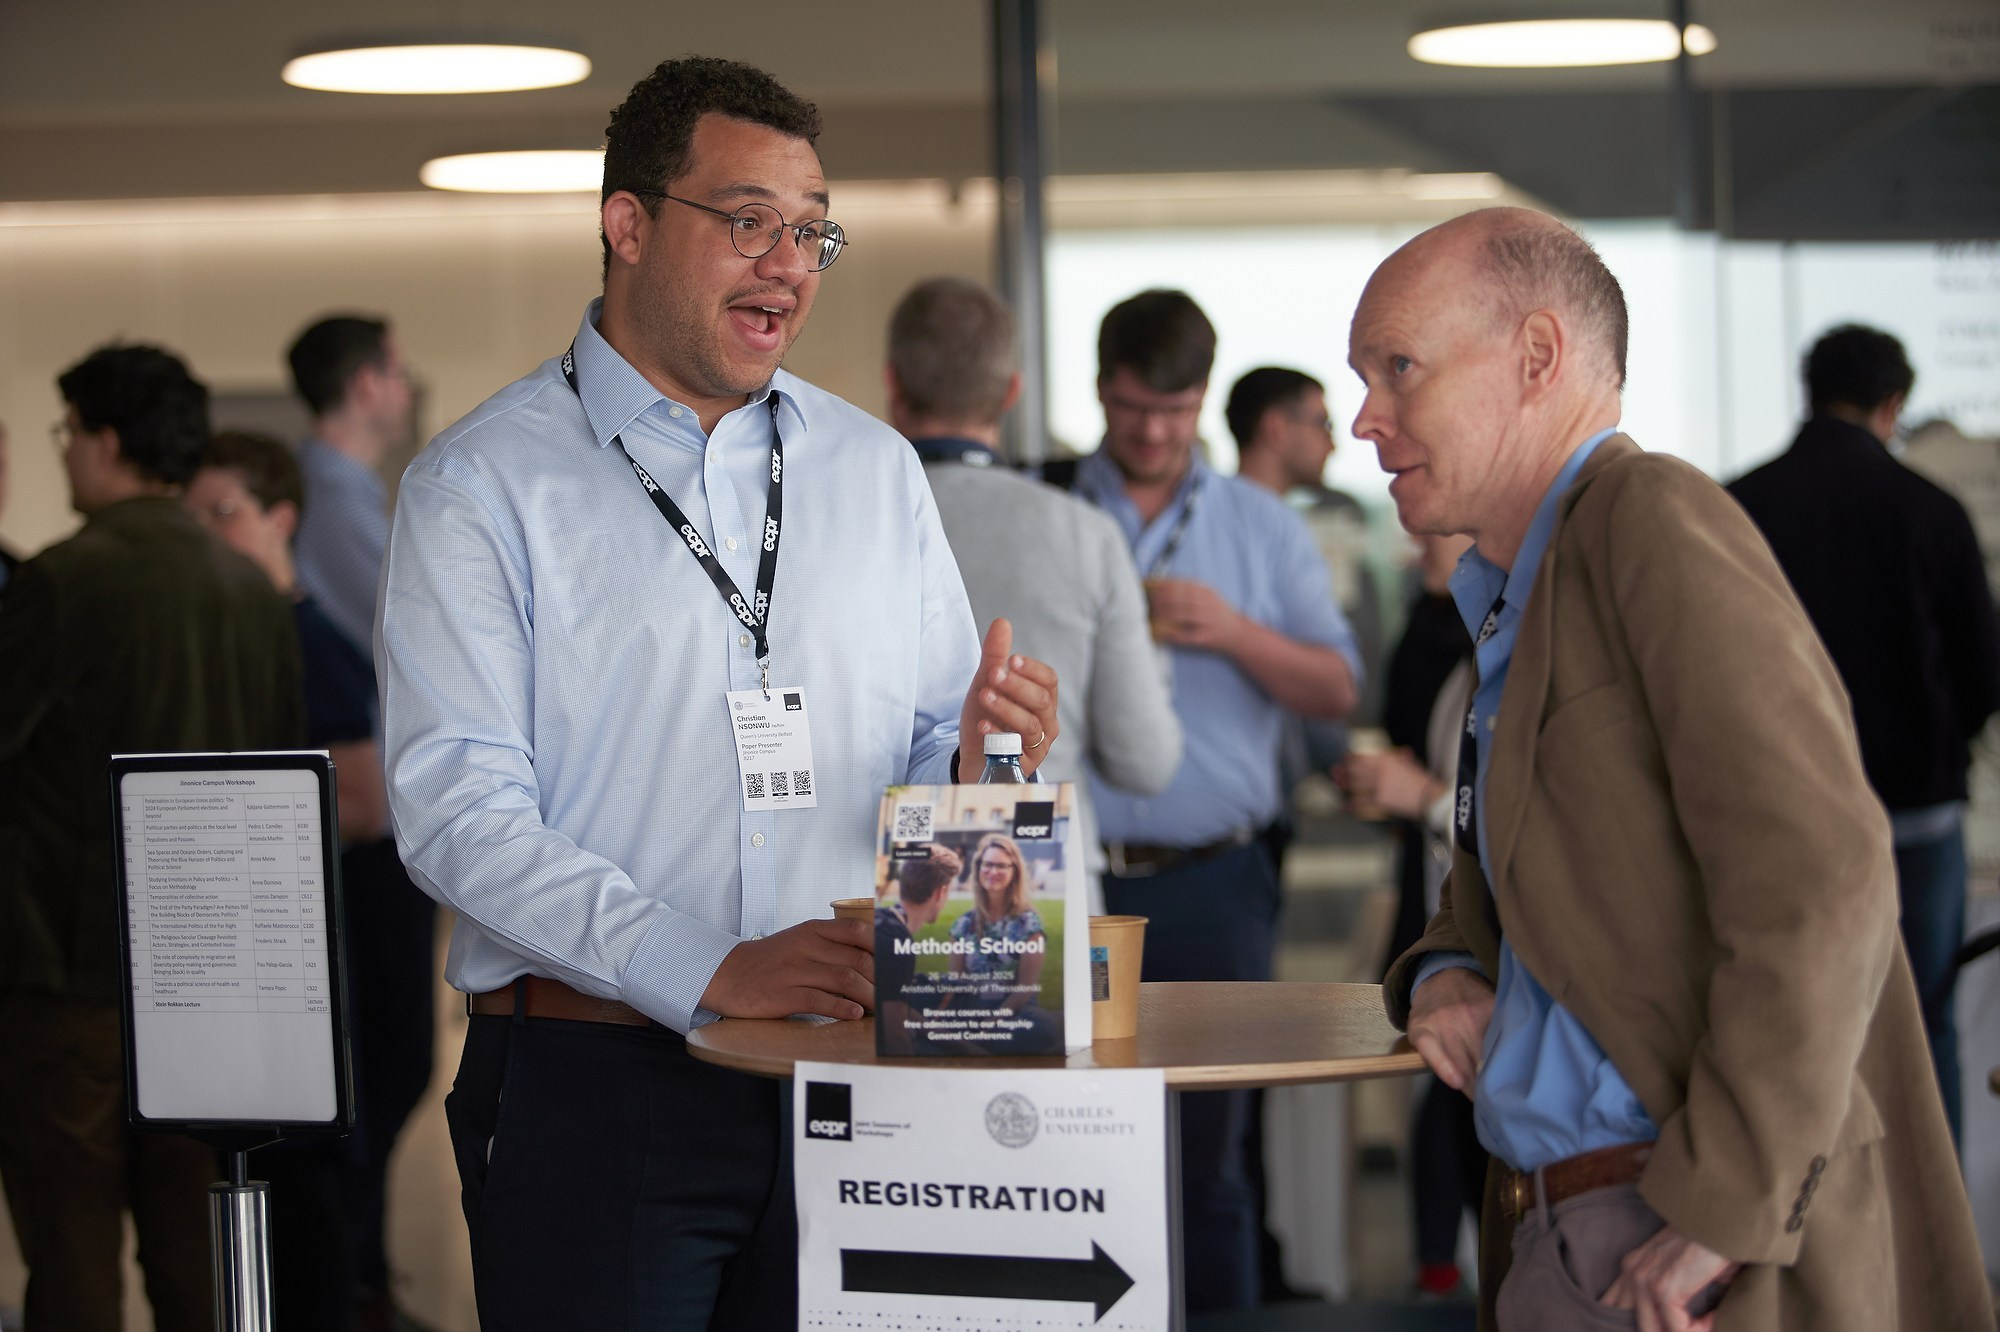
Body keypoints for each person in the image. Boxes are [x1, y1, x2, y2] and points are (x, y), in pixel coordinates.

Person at [375, 56, 1061, 1330]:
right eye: (748, 221)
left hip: (849, 1063)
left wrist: (978, 764)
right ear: (627, 225)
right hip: (592, 1079)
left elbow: (930, 743)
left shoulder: (872, 469)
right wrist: (708, 968)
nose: (787, 265)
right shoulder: (481, 487)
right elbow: (457, 814)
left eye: (811, 233)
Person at [1362, 207, 1988, 1331]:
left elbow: (1823, 875)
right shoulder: (1520, 591)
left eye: (1397, 368)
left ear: (1537, 356)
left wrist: (1723, 1210)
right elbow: (1521, 874)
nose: (1366, 416)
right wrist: (1443, 968)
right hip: (1567, 1221)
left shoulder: (1646, 518)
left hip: (1667, 1239)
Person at [0, 345, 303, 1332]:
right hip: (214, 987)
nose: (63, 454)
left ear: (104, 439)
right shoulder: (252, 593)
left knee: (72, 1253)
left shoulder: (63, 580)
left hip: (70, 970)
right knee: (194, 1252)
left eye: (67, 432)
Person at [1078, 290, 1361, 1312]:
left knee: (1211, 1162)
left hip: (1213, 882)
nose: (1152, 434)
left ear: (1202, 399)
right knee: (1070, 1155)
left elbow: (1337, 690)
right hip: (1073, 889)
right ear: (1098, 390)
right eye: (1129, 409)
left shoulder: (1260, 526)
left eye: (1173, 411)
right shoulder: (1054, 510)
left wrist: (1236, 634)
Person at [1729, 324, 2000, 1150]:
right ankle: (1930, 1218)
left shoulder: (1738, 506)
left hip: (1781, 819)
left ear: (1811, 394)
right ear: (1892, 406)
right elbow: (1983, 672)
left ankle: (1808, 1216)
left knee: (1796, 1028)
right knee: (1924, 1026)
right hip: (1913, 812)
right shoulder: (1931, 510)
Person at [184, 430, 415, 1330]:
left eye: (224, 513)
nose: (207, 536)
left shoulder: (308, 640)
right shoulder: (243, 636)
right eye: (194, 518)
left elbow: (359, 800)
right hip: (292, 952)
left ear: (280, 517)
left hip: (340, 944)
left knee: (319, 1181)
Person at [884, 275, 1181, 911]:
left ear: (892, 383)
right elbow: (1146, 762)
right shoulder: (1086, 535)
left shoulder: (843, 523)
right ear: (1012, 392)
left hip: (890, 878)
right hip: (1046, 873)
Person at [286, 313, 436, 1330]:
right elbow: (419, 638)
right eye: (396, 367)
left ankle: (361, 1274)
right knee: (381, 1060)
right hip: (361, 825)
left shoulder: (350, 494)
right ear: (365, 382)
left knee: (388, 1062)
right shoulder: (331, 501)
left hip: (377, 816)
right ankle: (351, 1283)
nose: (407, 383)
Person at [1340, 530, 1484, 1301]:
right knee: (1441, 1091)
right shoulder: (1457, 652)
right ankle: (1440, 1278)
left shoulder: (1521, 651)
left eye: (1439, 527)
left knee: (1460, 1097)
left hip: (1493, 945)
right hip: (1445, 924)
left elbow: (1509, 821)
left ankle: (1457, 1277)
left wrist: (1421, 797)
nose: (1416, 540)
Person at [288, 313, 414, 655]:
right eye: (400, 374)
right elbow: (419, 630)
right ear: (367, 384)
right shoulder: (338, 501)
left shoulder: (321, 485)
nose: (407, 393)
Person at [875, 844, 961, 1055]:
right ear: (941, 892)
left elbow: (895, 1003)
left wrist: (962, 1045)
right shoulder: (898, 941)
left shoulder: (882, 919)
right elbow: (896, 1037)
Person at [946, 832, 1048, 1008]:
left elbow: (1025, 989)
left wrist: (994, 1020)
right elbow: (957, 984)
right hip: (972, 1011)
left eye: (1001, 866)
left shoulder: (1029, 926)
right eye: (988, 864)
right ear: (978, 868)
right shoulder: (963, 925)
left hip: (1017, 1013)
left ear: (1014, 872)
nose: (993, 872)